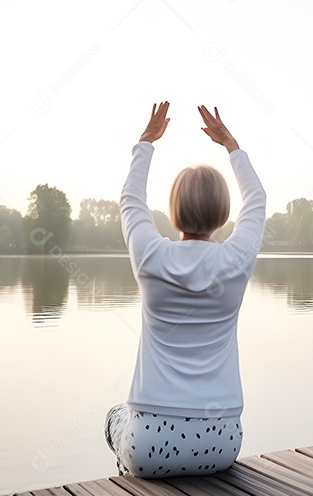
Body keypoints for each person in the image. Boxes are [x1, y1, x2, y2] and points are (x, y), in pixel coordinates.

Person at [105, 102, 266, 477]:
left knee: (114, 416)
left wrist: (146, 142)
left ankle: (130, 488)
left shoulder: (151, 257)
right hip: (223, 443)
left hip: (148, 446)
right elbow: (257, 199)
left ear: (173, 210)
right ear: (224, 215)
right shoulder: (235, 261)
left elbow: (131, 200)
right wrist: (231, 145)